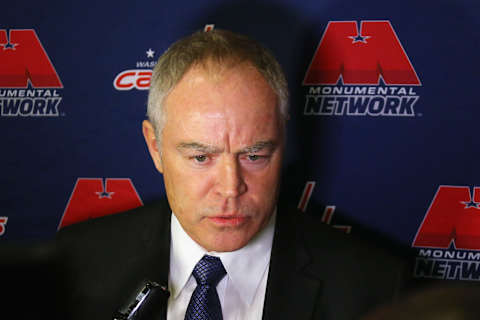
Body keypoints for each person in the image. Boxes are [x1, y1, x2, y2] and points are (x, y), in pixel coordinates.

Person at [57, 29, 411, 320]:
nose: (230, 188)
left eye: (255, 155)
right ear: (155, 147)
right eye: (200, 157)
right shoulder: (73, 267)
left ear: (283, 144)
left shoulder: (373, 289)